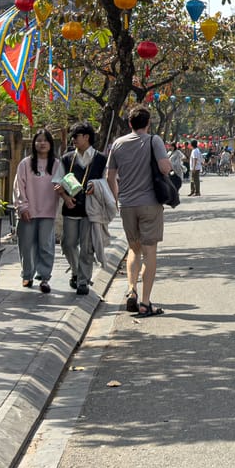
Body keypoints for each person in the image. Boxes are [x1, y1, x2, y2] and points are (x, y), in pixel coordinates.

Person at [107, 106, 175, 317]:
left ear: (129, 123)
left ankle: (131, 290)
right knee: (149, 252)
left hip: (127, 205)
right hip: (150, 204)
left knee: (133, 250)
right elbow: (165, 168)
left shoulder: (118, 143)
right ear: (148, 123)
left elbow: (110, 177)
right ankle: (145, 302)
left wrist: (118, 199)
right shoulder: (153, 140)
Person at [56, 122, 107, 296]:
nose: (73, 140)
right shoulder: (66, 158)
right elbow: (58, 182)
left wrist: (97, 187)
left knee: (86, 247)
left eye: (75, 136)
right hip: (70, 207)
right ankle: (77, 272)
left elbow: (107, 183)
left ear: (86, 137)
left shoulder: (101, 159)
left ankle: (83, 281)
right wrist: (64, 196)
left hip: (90, 209)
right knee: (67, 243)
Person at [12, 127, 63, 292]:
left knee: (46, 246)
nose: (42, 143)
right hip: (28, 212)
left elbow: (62, 185)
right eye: (39, 140)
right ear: (34, 143)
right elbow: (19, 187)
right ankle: (27, 275)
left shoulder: (56, 164)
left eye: (45, 140)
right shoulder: (25, 164)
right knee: (26, 246)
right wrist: (22, 207)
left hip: (48, 212)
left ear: (50, 144)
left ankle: (44, 278)